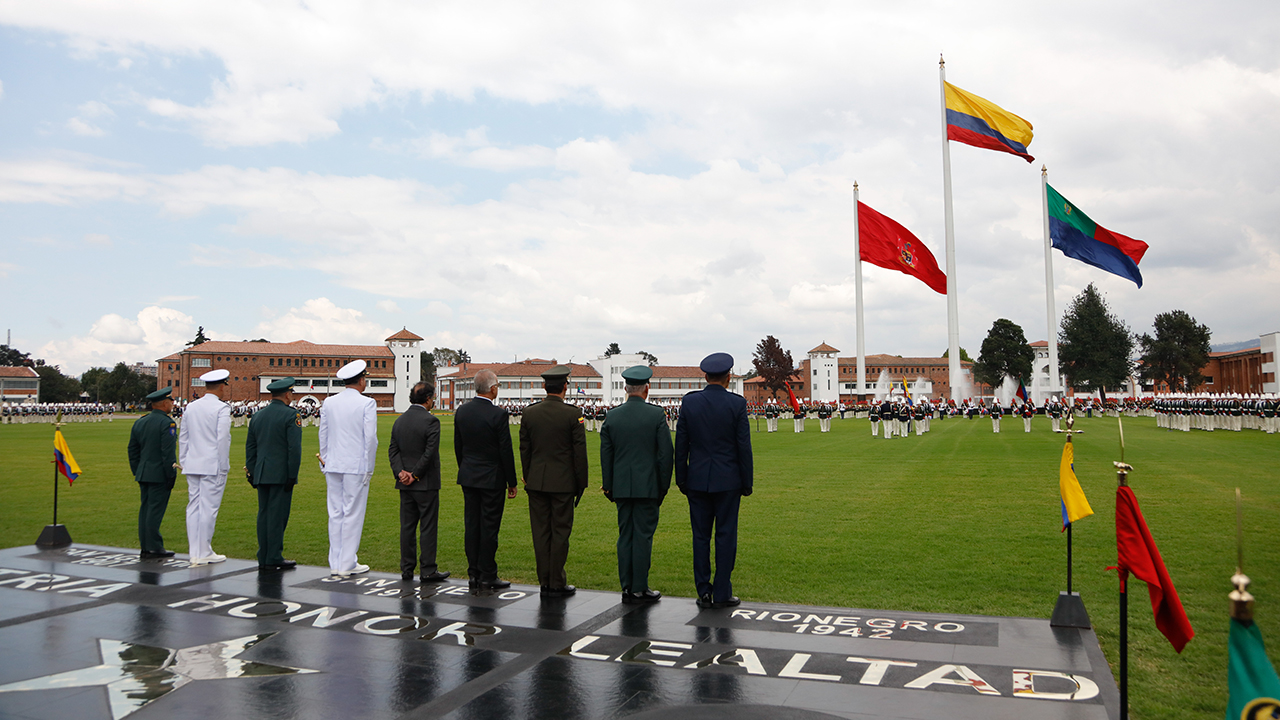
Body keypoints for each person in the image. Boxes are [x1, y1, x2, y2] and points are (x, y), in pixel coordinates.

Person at [675, 352, 753, 609]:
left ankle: (703, 590)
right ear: (729, 377)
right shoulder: (737, 404)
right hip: (728, 479)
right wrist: (747, 481)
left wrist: (681, 478)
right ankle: (722, 591)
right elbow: (744, 447)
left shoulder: (691, 402)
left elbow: (681, 445)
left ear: (705, 377)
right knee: (726, 535)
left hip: (697, 479)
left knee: (700, 537)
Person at [601, 365, 673, 604]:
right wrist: (663, 487)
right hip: (648, 486)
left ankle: (626, 585)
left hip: (621, 486)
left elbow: (606, 455)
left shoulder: (612, 416)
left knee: (626, 536)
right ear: (646, 389)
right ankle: (640, 587)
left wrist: (609, 486)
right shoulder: (656, 415)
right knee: (642, 536)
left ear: (625, 388)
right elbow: (665, 456)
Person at [519, 365, 589, 597]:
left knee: (540, 533)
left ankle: (544, 581)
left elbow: (525, 449)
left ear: (544, 387)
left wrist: (529, 475)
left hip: (537, 481)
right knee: (560, 533)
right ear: (565, 387)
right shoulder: (572, 413)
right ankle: (556, 581)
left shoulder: (530, 413)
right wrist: (581, 483)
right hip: (563, 483)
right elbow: (579, 452)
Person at [455, 369, 518, 593]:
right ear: (492, 389)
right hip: (492, 479)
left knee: (472, 525)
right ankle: (488, 574)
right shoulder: (498, 415)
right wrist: (512, 481)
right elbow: (505, 451)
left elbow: (458, 448)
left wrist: (465, 469)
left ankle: (473, 573)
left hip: (469, 476)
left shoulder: (462, 412)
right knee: (489, 528)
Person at [318, 360, 378, 578]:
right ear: (362, 380)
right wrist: (369, 467)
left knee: (335, 513)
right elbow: (370, 438)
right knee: (352, 513)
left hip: (333, 463)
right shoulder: (367, 403)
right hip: (355, 465)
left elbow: (322, 434)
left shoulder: (329, 402)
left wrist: (324, 459)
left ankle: (335, 561)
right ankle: (347, 563)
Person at [389, 382, 450, 583]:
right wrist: (415, 475)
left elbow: (393, 451)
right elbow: (429, 453)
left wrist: (401, 474)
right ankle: (428, 569)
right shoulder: (431, 421)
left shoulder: (399, 421)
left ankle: (407, 569)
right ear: (428, 399)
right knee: (428, 527)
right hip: (425, 483)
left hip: (405, 484)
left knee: (407, 527)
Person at [245, 378, 301, 571]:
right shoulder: (290, 415)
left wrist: (251, 472)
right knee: (278, 516)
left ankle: (264, 555)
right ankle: (274, 556)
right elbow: (294, 449)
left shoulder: (258, 416)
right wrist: (292, 475)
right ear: (287, 394)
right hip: (280, 474)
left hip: (261, 472)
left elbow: (250, 447)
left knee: (264, 514)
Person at [179, 369, 232, 565]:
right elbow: (222, 439)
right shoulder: (221, 408)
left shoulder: (191, 407)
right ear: (221, 386)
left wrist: (184, 460)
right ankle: (204, 551)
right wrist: (223, 465)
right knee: (208, 508)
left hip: (192, 463)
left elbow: (183, 437)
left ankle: (195, 551)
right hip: (212, 464)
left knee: (193, 507)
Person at [128, 387, 179, 559]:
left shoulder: (140, 422)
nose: (172, 404)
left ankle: (146, 545)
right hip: (159, 474)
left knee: (145, 510)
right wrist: (171, 474)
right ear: (164, 403)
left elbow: (132, 451)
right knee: (155, 511)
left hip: (144, 472)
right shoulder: (167, 423)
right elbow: (168, 453)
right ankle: (154, 547)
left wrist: (138, 469)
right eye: (171, 401)